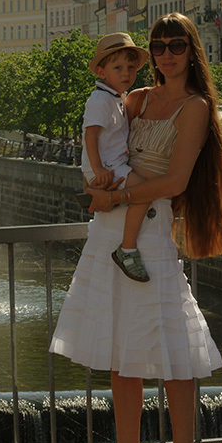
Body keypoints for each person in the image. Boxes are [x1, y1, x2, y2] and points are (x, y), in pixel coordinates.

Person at [50, 12, 222, 443]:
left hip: (146, 232)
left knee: (172, 353)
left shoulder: (195, 107)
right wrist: (97, 183)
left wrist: (114, 198)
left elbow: (175, 183)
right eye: (160, 44)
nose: (167, 52)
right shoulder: (137, 99)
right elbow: (100, 140)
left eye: (176, 44)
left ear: (191, 50)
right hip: (111, 231)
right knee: (120, 355)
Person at [80, 32, 153, 282]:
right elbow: (91, 136)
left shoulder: (115, 97)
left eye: (131, 68)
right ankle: (127, 249)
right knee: (145, 191)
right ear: (102, 72)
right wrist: (98, 169)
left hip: (112, 165)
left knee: (137, 193)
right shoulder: (101, 99)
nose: (126, 73)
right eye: (118, 67)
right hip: (108, 167)